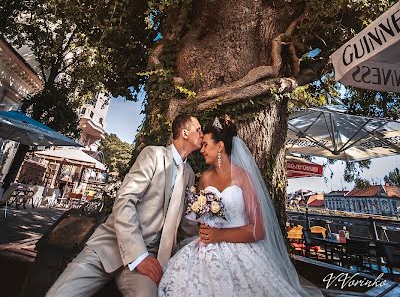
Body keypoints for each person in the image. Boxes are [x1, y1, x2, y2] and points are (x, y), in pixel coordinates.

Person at [158, 115, 322, 297]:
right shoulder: (204, 178)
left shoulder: (243, 177)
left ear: (220, 146)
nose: (202, 150)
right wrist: (204, 227)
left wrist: (219, 235)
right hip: (206, 248)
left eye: (205, 145)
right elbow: (199, 217)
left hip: (243, 250)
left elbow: (258, 230)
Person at [46, 114, 203, 297]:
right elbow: (125, 200)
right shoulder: (154, 154)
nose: (201, 134)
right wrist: (138, 255)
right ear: (184, 133)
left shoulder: (190, 174)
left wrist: (207, 243)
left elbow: (186, 224)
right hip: (111, 245)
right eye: (198, 130)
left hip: (150, 259)